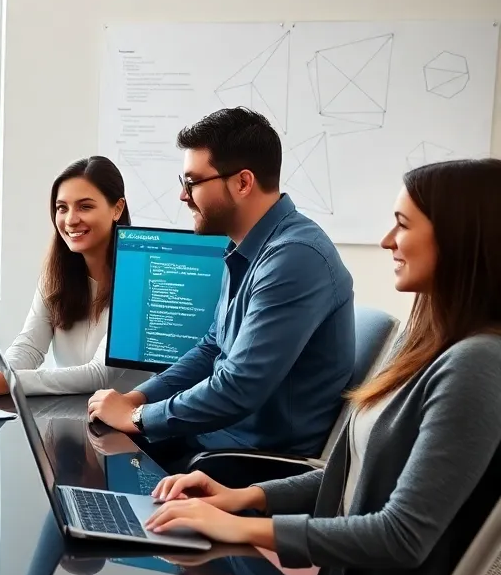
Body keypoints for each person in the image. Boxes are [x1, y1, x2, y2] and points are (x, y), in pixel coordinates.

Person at [145, 159, 501, 575]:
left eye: (402, 225)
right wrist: (242, 498)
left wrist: (242, 528)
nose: (386, 241)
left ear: (460, 239)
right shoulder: (427, 347)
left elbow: (401, 536)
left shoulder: (477, 364)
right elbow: (350, 473)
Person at [89, 108, 355, 470]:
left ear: (243, 183)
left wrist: (138, 418)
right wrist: (138, 398)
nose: (183, 196)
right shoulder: (246, 247)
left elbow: (239, 387)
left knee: (96, 468)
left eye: (192, 182)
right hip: (212, 439)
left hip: (250, 461)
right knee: (88, 453)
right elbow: (212, 347)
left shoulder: (295, 257)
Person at [0, 156, 152, 396]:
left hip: (123, 417)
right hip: (68, 413)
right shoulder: (57, 275)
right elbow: (30, 346)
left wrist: (11, 381)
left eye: (85, 207)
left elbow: (99, 375)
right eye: (62, 208)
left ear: (117, 209)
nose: (70, 220)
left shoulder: (142, 282)